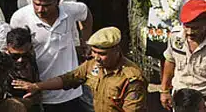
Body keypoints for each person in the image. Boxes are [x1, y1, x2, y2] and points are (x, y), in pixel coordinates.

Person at [12, 27, 147, 112]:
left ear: (116, 50)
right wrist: (37, 86)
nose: (96, 57)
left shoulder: (131, 78)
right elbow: (68, 79)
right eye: (94, 52)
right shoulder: (92, 65)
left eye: (102, 54)